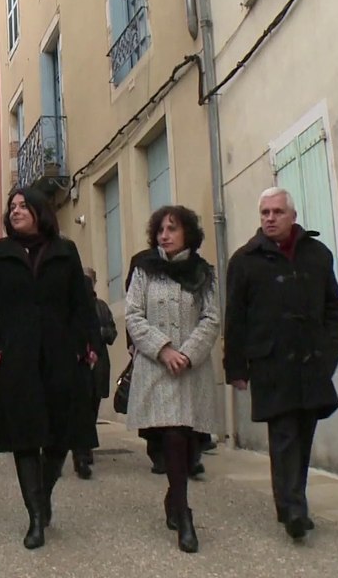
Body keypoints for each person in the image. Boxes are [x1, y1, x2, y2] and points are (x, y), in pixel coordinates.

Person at [0, 187, 100, 550]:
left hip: (62, 354)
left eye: (22, 206)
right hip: (15, 357)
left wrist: (88, 343)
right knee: (25, 437)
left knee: (60, 435)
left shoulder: (65, 251)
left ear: (39, 211)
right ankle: (35, 517)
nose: (15, 211)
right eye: (11, 206)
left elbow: (81, 302)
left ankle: (43, 495)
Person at [224, 187, 338, 542]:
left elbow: (332, 305)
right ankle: (294, 508)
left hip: (312, 361)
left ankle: (291, 501)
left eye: (277, 212)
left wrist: (333, 343)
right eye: (264, 213)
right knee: (283, 433)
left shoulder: (317, 254)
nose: (270, 219)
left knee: (304, 432)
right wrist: (236, 368)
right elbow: (236, 319)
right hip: (271, 361)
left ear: (292, 216)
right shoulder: (245, 260)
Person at [125, 205, 220, 554]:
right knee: (172, 438)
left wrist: (188, 353)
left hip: (191, 371)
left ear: (187, 234)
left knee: (191, 443)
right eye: (161, 230)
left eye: (172, 229)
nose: (165, 235)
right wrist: (164, 350)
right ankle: (185, 515)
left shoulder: (204, 273)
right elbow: (133, 315)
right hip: (157, 369)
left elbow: (211, 318)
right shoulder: (145, 271)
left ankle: (173, 500)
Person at [73, 268, 116, 479]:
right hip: (76, 359)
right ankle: (80, 449)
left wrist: (100, 334)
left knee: (92, 404)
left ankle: (84, 446)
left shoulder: (101, 307)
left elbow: (111, 332)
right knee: (78, 406)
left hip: (96, 361)